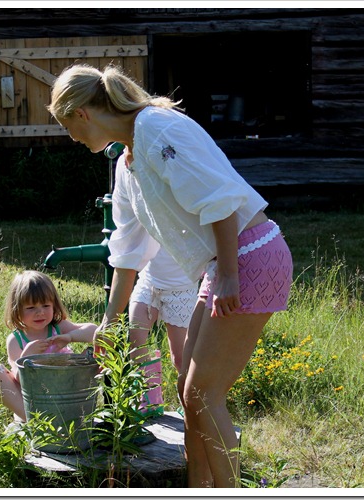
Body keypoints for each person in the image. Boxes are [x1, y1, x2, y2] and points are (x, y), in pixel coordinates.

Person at [47, 64, 293, 488]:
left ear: (82, 114)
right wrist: (109, 322)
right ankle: (199, 488)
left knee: (203, 394)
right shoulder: (128, 160)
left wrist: (231, 277)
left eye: (66, 125)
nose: (70, 137)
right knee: (188, 391)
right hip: (225, 265)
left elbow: (217, 199)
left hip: (248, 256)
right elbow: (129, 249)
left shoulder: (156, 128)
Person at [103, 155, 199, 417]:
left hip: (180, 288)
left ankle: (187, 407)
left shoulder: (181, 203)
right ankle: (150, 402)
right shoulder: (141, 199)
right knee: (136, 343)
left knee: (180, 357)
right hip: (149, 281)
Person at [0, 270, 97, 422]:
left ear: (54, 305)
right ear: (17, 309)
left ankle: (71, 418)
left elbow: (95, 332)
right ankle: (34, 424)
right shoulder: (16, 340)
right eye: (31, 308)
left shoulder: (57, 328)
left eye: (46, 305)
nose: (40, 312)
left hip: (65, 393)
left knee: (91, 354)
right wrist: (26, 356)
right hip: (33, 402)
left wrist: (70, 337)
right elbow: (19, 379)